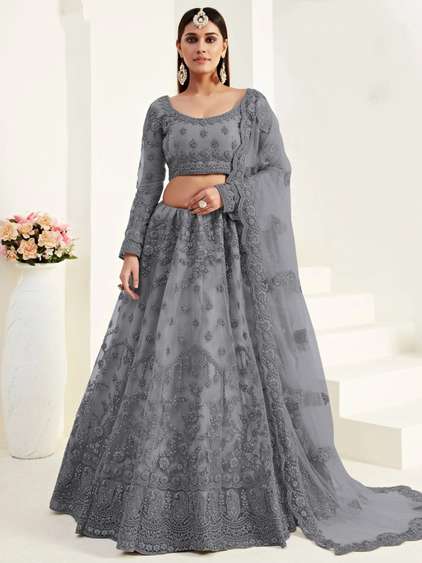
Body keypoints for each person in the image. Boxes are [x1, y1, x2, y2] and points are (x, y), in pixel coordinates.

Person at [49, 6, 422, 556]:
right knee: (165, 358)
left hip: (228, 247)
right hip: (168, 243)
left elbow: (277, 172)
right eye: (191, 37)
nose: (201, 46)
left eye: (210, 37)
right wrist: (131, 249)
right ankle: (154, 492)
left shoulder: (251, 106)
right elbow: (147, 183)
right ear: (179, 47)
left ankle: (229, 493)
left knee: (223, 357)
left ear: (224, 46)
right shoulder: (161, 111)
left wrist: (228, 194)